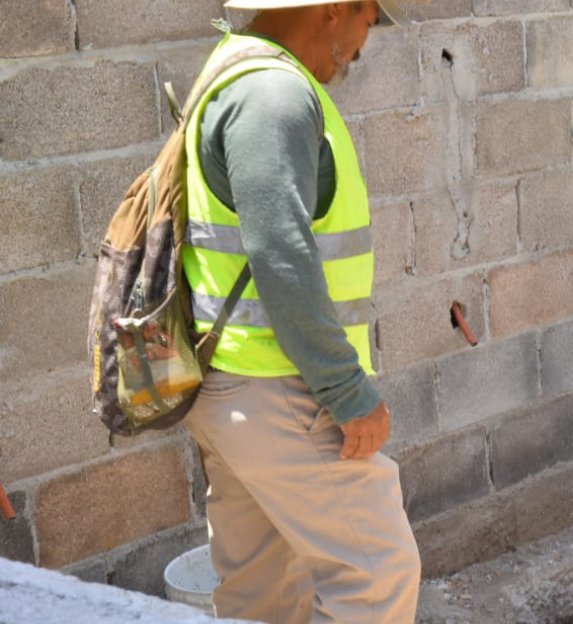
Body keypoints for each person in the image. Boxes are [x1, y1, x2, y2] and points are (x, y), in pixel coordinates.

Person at [180, 2, 420, 622]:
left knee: (262, 596)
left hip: (237, 389)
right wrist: (347, 391)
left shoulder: (235, 71)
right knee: (377, 577)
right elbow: (279, 250)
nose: (366, 43)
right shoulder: (274, 93)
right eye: (371, 17)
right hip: (282, 391)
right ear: (336, 10)